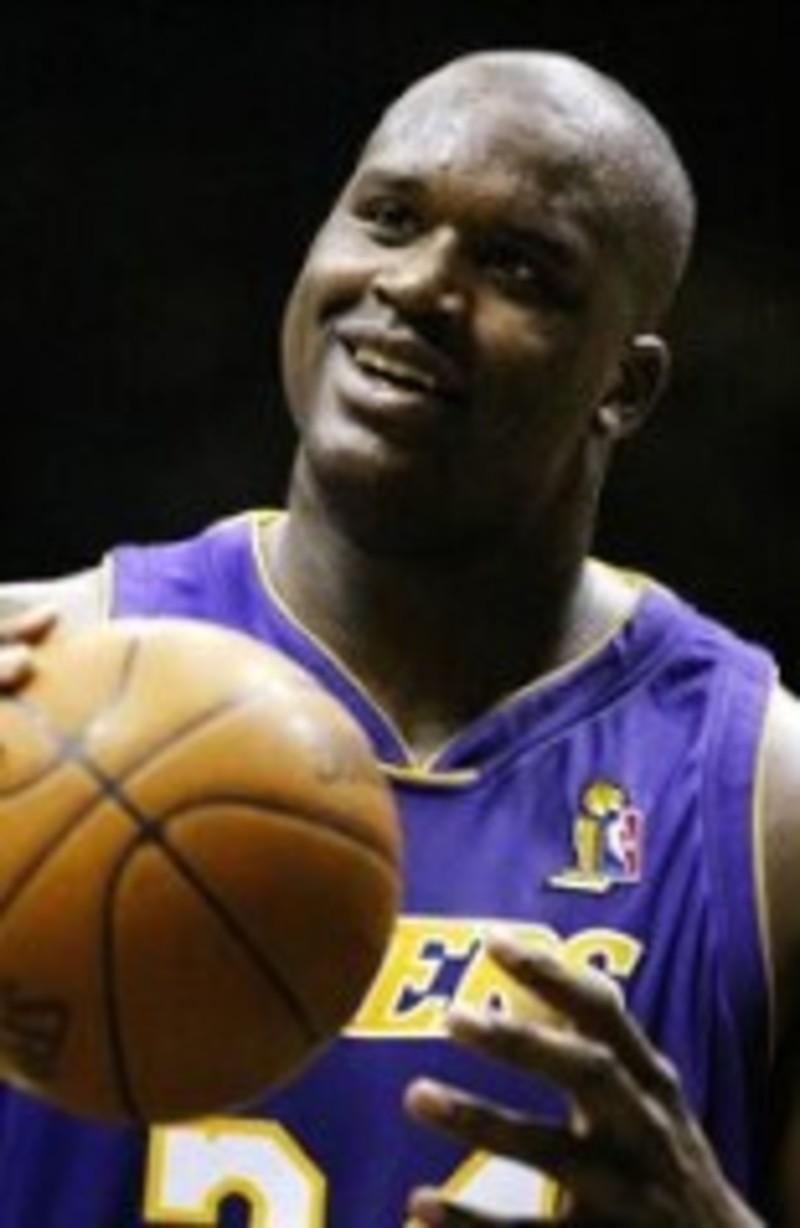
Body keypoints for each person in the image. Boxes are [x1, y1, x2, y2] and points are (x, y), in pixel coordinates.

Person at [0, 46, 797, 1227]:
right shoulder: (33, 676)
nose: (419, 284)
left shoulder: (763, 801)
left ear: (622, 390)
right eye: (388, 217)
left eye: (517, 266)